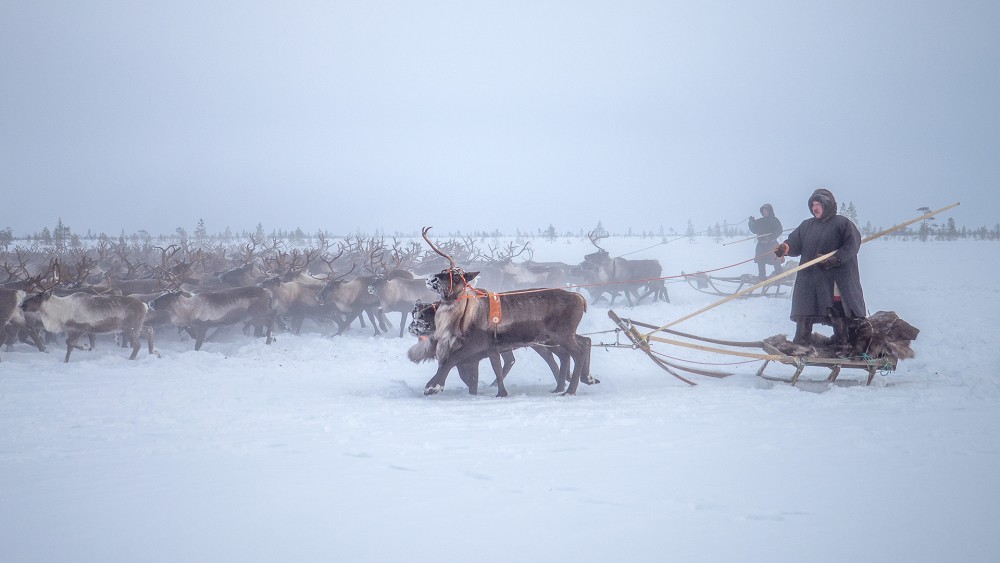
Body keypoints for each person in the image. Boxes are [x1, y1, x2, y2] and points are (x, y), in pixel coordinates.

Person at [774, 188, 866, 348]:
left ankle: (842, 342)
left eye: (819, 204)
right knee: (805, 305)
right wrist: (785, 248)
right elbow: (795, 242)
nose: (815, 208)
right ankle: (802, 340)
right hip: (809, 276)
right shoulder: (807, 225)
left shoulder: (842, 223)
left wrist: (836, 258)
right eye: (813, 204)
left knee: (837, 307)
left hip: (835, 276)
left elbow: (852, 245)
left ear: (828, 205)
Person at [747, 204, 783, 279]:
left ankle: (779, 276)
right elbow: (754, 230)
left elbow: (779, 230)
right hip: (761, 246)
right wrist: (751, 222)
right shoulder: (760, 221)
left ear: (770, 211)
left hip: (772, 244)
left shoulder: (775, 220)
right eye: (763, 211)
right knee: (760, 261)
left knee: (776, 260)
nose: (764, 212)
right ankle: (762, 277)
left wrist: (770, 237)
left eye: (766, 210)